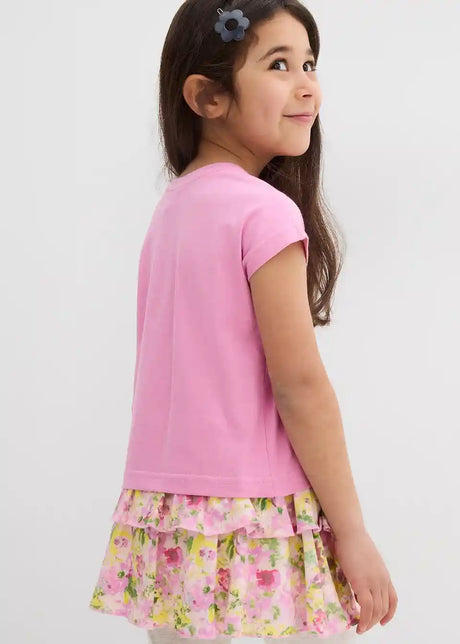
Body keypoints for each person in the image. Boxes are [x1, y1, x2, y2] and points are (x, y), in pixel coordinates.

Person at [88, 1, 398, 641]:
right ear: (207, 97)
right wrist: (354, 533)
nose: (307, 85)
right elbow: (299, 385)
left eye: (309, 63)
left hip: (173, 527)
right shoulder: (264, 213)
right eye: (279, 65)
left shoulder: (175, 209)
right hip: (253, 528)